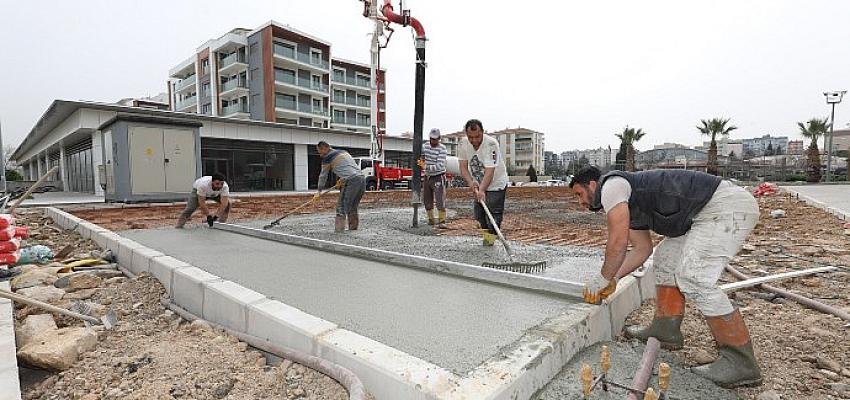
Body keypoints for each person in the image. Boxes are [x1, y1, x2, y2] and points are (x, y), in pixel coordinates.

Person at [569, 165, 762, 389]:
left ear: (592, 184)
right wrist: (614, 279)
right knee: (665, 258)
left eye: (579, 194)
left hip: (724, 206)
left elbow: (618, 241)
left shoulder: (612, 185)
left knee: (694, 279)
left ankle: (741, 362)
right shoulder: (626, 199)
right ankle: (665, 329)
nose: (580, 203)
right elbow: (642, 249)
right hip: (702, 214)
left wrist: (602, 278)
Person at [457, 119, 509, 246]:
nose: (474, 140)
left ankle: (489, 242)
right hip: (479, 182)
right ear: (466, 134)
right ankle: (487, 237)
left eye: (477, 136)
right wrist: (471, 182)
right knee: (479, 215)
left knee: (493, 215)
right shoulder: (463, 143)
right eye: (471, 137)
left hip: (496, 183)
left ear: (482, 132)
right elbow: (463, 167)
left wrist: (482, 190)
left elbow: (490, 171)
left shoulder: (491, 144)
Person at [316, 141, 366, 232]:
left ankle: (339, 231)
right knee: (352, 206)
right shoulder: (344, 152)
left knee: (341, 207)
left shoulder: (328, 157)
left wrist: (319, 191)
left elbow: (323, 175)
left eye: (320, 152)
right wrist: (342, 179)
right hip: (362, 179)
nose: (320, 155)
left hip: (351, 180)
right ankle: (353, 228)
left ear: (324, 148)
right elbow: (348, 167)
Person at [417, 128, 448, 226]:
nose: (432, 141)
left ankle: (442, 220)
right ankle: (431, 219)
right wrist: (421, 161)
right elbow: (421, 157)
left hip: (438, 176)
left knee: (440, 199)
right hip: (428, 176)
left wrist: (425, 167)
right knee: (427, 199)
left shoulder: (442, 148)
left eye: (435, 139)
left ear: (439, 138)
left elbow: (439, 165)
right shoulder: (425, 146)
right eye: (431, 139)